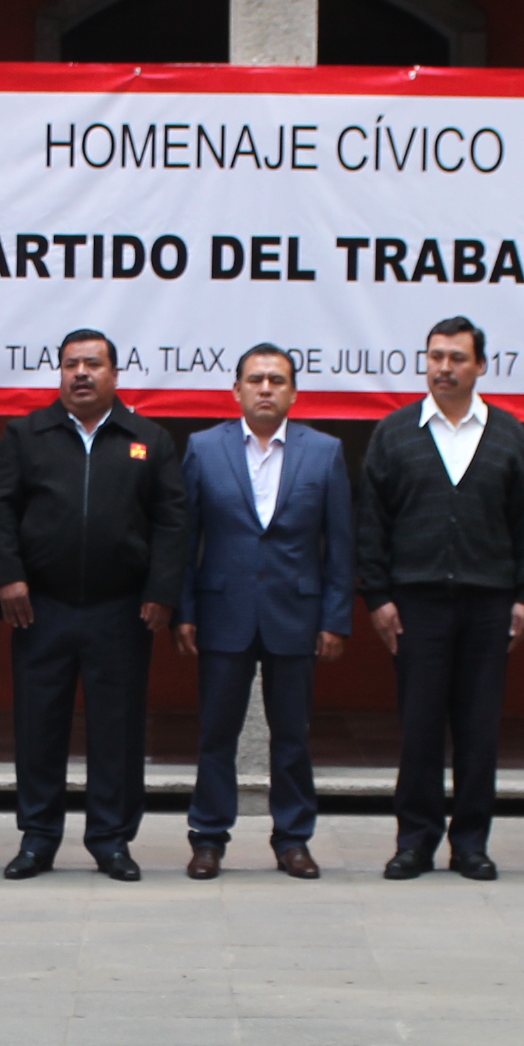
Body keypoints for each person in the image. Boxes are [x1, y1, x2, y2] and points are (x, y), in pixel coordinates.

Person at [0, 329, 188, 880]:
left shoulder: (148, 437)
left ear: (114, 374)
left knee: (117, 729)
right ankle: (39, 837)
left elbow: (172, 520)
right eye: (71, 364)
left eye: (93, 364)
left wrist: (161, 591)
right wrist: (8, 578)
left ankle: (111, 839)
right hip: (40, 608)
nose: (81, 374)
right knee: (38, 724)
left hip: (120, 610)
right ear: (59, 373)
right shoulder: (27, 434)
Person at [358, 316, 524, 880]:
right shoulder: (394, 433)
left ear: (481, 365)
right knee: (418, 728)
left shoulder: (509, 434)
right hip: (416, 607)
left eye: (457, 357)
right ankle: (415, 840)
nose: (444, 367)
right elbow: (372, 523)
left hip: (489, 605)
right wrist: (378, 597)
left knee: (478, 729)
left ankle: (471, 843)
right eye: (436, 356)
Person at [180, 343, 354, 879]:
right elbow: (185, 538)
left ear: (294, 392)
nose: (265, 388)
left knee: (293, 734)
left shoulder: (324, 452)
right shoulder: (203, 448)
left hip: (295, 615)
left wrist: (335, 617)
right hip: (221, 612)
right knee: (216, 733)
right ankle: (208, 838)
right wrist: (184, 610)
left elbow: (342, 544)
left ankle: (293, 839)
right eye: (255, 379)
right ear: (235, 390)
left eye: (277, 380)